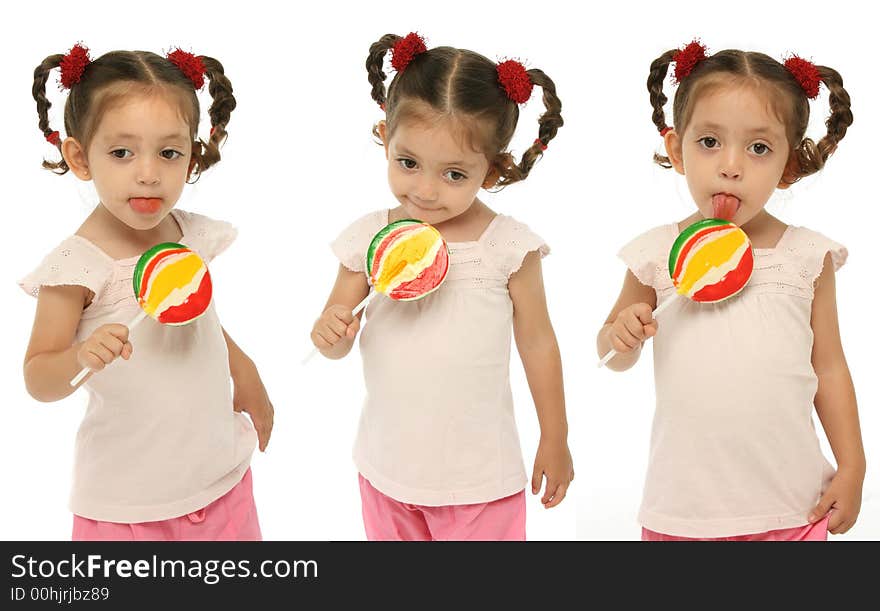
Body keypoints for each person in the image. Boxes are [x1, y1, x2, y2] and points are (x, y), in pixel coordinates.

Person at [597, 40, 864, 540]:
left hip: (793, 508)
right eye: (710, 142)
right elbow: (609, 353)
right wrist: (620, 335)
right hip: (683, 510)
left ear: (789, 165)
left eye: (759, 148)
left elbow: (828, 365)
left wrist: (852, 465)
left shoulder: (805, 257)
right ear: (677, 149)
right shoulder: (657, 253)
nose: (731, 165)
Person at [311, 33, 573, 540]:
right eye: (407, 163)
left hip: (481, 481)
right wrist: (330, 332)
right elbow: (335, 339)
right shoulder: (369, 238)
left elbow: (539, 345)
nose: (425, 191)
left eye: (454, 173)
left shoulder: (507, 248)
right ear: (385, 138)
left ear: (492, 170)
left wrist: (555, 438)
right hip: (387, 471)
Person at [21, 43, 273, 540]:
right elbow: (38, 377)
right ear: (79, 156)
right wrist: (81, 356)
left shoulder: (186, 234)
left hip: (220, 482)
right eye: (121, 152)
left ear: (192, 155)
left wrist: (244, 369)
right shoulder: (78, 266)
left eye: (169, 152)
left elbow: (199, 321)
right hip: (126, 507)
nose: (149, 172)